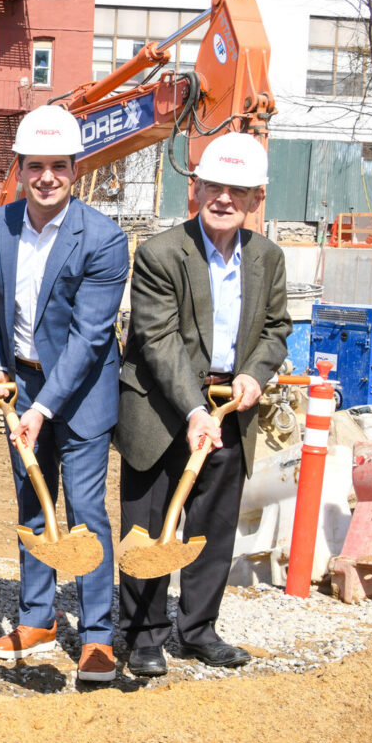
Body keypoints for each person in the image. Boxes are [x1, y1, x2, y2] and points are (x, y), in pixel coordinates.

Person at [116, 132, 291, 677]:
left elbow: (276, 329)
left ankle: (198, 629)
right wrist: (194, 412)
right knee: (149, 524)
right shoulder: (160, 253)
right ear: (195, 189)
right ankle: (143, 634)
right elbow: (156, 339)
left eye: (237, 191)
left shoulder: (268, 257)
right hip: (161, 409)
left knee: (211, 525)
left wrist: (255, 376)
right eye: (213, 186)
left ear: (256, 200)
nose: (223, 198)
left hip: (230, 406)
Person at [0, 104, 129, 683]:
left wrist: (41, 408)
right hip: (23, 383)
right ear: (20, 167)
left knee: (86, 511)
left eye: (58, 166)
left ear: (75, 168)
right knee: (33, 505)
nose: (46, 178)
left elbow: (90, 338)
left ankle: (96, 636)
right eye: (35, 166)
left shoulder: (104, 239)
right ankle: (38, 617)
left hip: (82, 391)